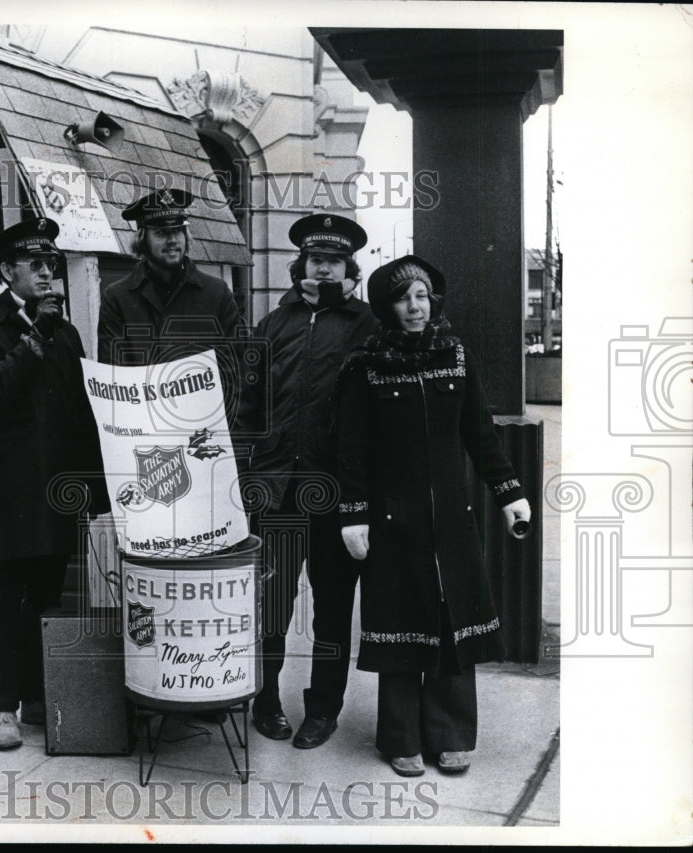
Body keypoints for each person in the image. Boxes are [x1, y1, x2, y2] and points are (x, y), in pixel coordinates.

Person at [333, 254, 531, 777]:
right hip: (393, 521)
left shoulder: (456, 355)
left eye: (422, 296)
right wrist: (353, 515)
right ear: (387, 306)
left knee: (452, 624)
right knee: (400, 624)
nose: (415, 307)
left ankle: (450, 735)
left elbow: (479, 433)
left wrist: (510, 491)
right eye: (404, 298)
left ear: (432, 300)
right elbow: (350, 448)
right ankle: (400, 738)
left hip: (452, 518)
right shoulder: (366, 365)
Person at [0, 216, 109, 751]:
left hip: (55, 491)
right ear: (7, 272)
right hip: (7, 494)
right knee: (4, 603)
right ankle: (2, 709)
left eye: (52, 264)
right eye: (35, 265)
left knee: (46, 598)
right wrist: (33, 337)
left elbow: (81, 411)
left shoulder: (65, 332)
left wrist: (96, 488)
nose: (47, 273)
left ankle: (40, 695)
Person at [234, 212, 379, 749]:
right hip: (276, 490)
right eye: (316, 259)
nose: (323, 268)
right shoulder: (275, 323)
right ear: (302, 264)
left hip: (336, 492)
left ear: (348, 269)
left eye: (334, 261)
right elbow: (248, 401)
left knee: (334, 606)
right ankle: (266, 700)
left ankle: (323, 709)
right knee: (271, 604)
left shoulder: (366, 325)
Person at [97, 188, 241, 417]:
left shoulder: (217, 292)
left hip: (204, 429)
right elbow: (114, 378)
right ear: (143, 239)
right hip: (143, 428)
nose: (173, 240)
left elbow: (236, 368)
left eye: (178, 230)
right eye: (162, 233)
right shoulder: (117, 297)